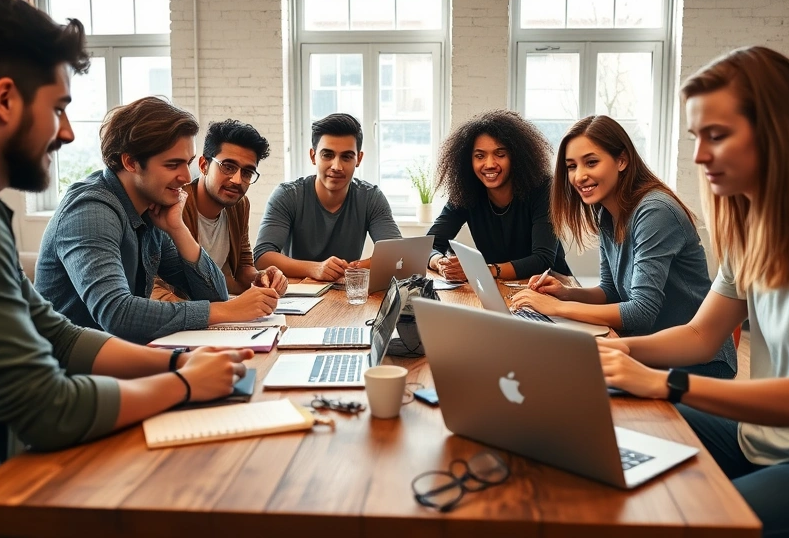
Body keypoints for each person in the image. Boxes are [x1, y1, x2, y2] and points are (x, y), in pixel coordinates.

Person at [0, 0, 251, 538]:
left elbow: (53, 334)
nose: (67, 133)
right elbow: (48, 407)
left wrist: (177, 363)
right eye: (58, 107)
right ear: (6, 100)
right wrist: (183, 384)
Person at [597, 46, 789, 536]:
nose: (700, 155)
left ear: (775, 132)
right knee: (619, 406)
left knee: (680, 520)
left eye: (717, 136)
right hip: (775, 441)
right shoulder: (755, 226)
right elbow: (702, 335)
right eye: (696, 137)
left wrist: (667, 382)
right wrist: (616, 351)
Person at [37, 97, 280, 344]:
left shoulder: (150, 210)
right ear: (130, 162)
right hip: (70, 372)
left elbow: (214, 293)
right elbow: (117, 313)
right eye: (173, 164)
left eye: (187, 163)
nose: (186, 177)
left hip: (120, 358)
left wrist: (178, 229)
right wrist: (228, 311)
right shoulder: (91, 211)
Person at [511, 115, 736, 379]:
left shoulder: (655, 211)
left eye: (591, 162)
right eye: (571, 166)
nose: (579, 176)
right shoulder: (606, 214)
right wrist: (565, 294)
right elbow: (610, 290)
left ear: (622, 160)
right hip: (648, 352)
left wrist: (555, 308)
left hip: (696, 364)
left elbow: (641, 311)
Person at [426, 110, 571, 282]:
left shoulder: (543, 189)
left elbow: (542, 260)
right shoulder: (466, 192)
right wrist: (441, 263)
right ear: (468, 161)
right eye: (480, 156)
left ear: (516, 157)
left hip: (551, 286)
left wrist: (479, 269)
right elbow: (428, 245)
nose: (489, 164)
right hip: (497, 286)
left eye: (500, 154)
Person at [253, 113, 401, 281]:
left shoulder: (371, 198)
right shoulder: (288, 195)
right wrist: (315, 268)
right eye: (327, 155)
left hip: (346, 293)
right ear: (313, 156)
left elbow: (398, 254)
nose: (336, 166)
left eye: (346, 157)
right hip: (298, 295)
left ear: (358, 159)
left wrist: (354, 268)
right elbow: (262, 257)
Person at [152, 119, 288, 302]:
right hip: (184, 315)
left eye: (247, 172)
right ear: (203, 165)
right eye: (228, 167)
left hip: (218, 308)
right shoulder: (173, 206)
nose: (237, 180)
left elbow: (243, 267)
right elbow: (153, 284)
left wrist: (263, 278)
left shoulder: (239, 205)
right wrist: (206, 315)